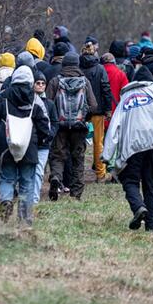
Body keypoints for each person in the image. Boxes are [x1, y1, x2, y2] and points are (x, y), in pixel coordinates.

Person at [102, 77, 153, 232]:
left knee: (129, 180)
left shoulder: (125, 99)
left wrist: (106, 154)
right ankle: (152, 225)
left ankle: (138, 207)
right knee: (151, 184)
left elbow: (113, 127)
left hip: (132, 146)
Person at [0, 66, 50, 225]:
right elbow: (45, 126)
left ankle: (7, 200)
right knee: (27, 182)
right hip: (29, 146)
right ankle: (24, 220)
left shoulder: (2, 97)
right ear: (30, 81)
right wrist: (41, 141)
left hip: (6, 145)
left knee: (7, 178)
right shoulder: (36, 100)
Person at [46, 51, 98, 201]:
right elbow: (93, 105)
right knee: (78, 158)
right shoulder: (84, 81)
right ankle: (76, 193)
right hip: (79, 127)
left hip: (60, 126)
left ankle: (56, 177)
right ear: (77, 64)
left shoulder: (55, 81)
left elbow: (48, 103)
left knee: (58, 156)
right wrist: (85, 117)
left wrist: (54, 119)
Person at [80, 37, 113, 182]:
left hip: (80, 112)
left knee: (78, 143)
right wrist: (107, 109)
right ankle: (100, 174)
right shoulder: (100, 69)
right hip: (97, 112)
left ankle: (77, 173)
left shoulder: (78, 68)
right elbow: (106, 89)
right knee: (98, 143)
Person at [31, 70, 57, 204]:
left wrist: (50, 134)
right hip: (30, 142)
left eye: (43, 83)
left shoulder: (50, 104)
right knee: (29, 170)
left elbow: (55, 121)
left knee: (39, 171)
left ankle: (34, 199)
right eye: (37, 83)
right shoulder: (29, 102)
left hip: (44, 143)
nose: (40, 85)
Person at [101, 52, 129, 124]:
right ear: (114, 62)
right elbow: (126, 95)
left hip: (99, 115)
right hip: (115, 115)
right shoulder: (120, 74)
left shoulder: (98, 72)